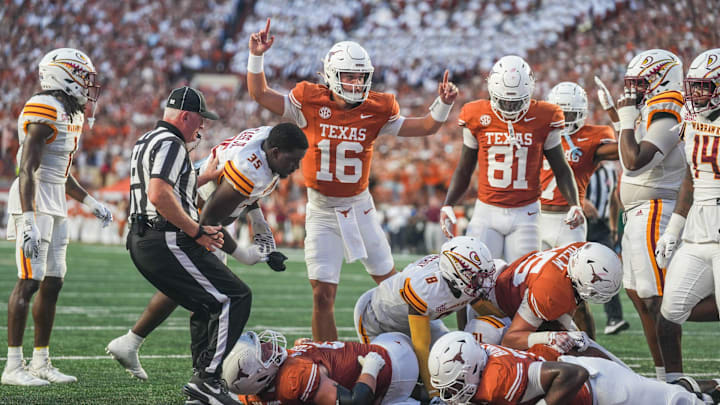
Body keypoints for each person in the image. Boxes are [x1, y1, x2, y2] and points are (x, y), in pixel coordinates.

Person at [247, 18, 459, 342]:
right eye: (349, 75)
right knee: (322, 295)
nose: (356, 81)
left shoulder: (378, 108)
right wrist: (257, 56)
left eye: (361, 75)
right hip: (321, 210)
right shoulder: (310, 100)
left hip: (360, 208)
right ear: (332, 74)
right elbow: (260, 93)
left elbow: (426, 127)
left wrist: (442, 105)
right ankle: (328, 362)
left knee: (394, 287)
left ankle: (431, 342)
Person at [106, 124, 307, 381]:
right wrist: (243, 254)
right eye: (294, 160)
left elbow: (245, 192)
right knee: (221, 297)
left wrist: (258, 221)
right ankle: (205, 377)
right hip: (194, 217)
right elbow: (210, 221)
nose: (297, 167)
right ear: (277, 152)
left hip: (198, 207)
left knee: (192, 289)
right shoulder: (251, 168)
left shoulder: (268, 140)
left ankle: (134, 343)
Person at [126, 86, 265, 405]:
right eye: (200, 120)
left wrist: (204, 178)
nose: (202, 127)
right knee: (236, 296)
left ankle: (201, 387)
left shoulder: (147, 139)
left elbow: (167, 184)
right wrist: (196, 230)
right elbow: (160, 194)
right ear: (185, 116)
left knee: (207, 304)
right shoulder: (172, 143)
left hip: (142, 236)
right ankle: (207, 380)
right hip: (163, 237)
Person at [2, 48, 112, 386]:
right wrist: (29, 218)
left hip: (55, 202)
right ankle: (13, 366)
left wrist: (91, 202)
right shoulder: (44, 108)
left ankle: (41, 360)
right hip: (32, 200)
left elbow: (60, 174)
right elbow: (28, 169)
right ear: (64, 76)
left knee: (53, 281)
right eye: (83, 77)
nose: (88, 85)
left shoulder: (70, 113)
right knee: (28, 282)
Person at [441, 55, 583, 263]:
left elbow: (560, 167)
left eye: (515, 102)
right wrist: (448, 204)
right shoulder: (475, 114)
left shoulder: (545, 116)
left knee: (523, 280)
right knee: (475, 275)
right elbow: (465, 168)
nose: (509, 108)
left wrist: (575, 204)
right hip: (486, 212)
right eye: (504, 101)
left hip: (526, 214)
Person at [613, 49, 686, 381]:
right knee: (638, 297)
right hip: (638, 213)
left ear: (661, 78)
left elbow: (635, 161)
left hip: (656, 210)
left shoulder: (667, 109)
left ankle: (673, 379)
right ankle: (662, 377)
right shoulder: (651, 110)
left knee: (657, 300)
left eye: (641, 82)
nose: (635, 90)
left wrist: (626, 121)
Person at [353, 236, 497, 398]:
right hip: (378, 320)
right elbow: (421, 346)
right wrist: (433, 393)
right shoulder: (426, 288)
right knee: (392, 382)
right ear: (456, 273)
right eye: (477, 276)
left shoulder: (462, 281)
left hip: (421, 318)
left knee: (456, 359)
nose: (483, 281)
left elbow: (476, 306)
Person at [655, 48, 720, 384]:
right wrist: (673, 229)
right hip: (697, 232)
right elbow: (691, 177)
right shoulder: (690, 122)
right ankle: (675, 383)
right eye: (694, 86)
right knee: (669, 312)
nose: (696, 94)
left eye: (705, 87)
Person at [428, 331, 714, 405]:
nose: (450, 394)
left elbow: (573, 376)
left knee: (677, 402)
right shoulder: (479, 360)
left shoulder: (499, 378)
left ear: (475, 370)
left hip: (599, 388)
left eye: (453, 385)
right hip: (576, 384)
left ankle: (703, 390)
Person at [540, 81, 619, 338]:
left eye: (570, 114)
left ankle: (591, 352)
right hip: (535, 218)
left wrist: (618, 117)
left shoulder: (593, 135)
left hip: (569, 220)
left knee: (576, 290)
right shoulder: (538, 130)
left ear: (582, 112)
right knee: (534, 289)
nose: (565, 120)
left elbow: (627, 152)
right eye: (560, 113)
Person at [484, 242, 624, 364]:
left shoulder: (580, 251)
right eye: (593, 292)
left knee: (575, 341)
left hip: (521, 281)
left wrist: (563, 331)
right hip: (495, 307)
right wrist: (551, 337)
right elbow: (510, 340)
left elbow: (570, 295)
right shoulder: (551, 291)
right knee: (556, 351)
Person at [224, 330, 420, 405]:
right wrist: (370, 368)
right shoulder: (292, 377)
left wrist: (370, 368)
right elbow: (356, 402)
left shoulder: (250, 393)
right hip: (394, 359)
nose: (269, 345)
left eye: (263, 344)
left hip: (392, 360)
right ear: (256, 376)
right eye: (263, 353)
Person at [584, 163, 629, 335]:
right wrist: (580, 200)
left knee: (609, 267)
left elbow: (613, 200)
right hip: (580, 223)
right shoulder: (581, 165)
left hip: (602, 225)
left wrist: (613, 227)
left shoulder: (610, 170)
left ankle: (614, 318)